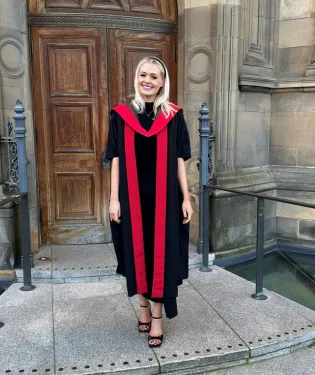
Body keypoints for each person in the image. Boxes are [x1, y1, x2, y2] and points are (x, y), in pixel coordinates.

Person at [104, 56, 193, 348]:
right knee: (135, 253)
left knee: (162, 257)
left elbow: (180, 159)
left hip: (165, 201)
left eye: (154, 76)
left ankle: (156, 316)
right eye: (143, 74)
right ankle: (142, 306)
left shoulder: (174, 115)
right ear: (136, 78)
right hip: (132, 200)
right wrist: (114, 199)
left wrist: (186, 197)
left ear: (163, 81)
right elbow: (115, 159)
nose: (148, 80)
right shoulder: (120, 115)